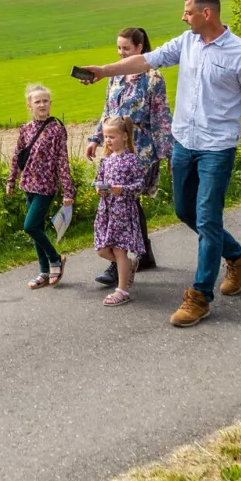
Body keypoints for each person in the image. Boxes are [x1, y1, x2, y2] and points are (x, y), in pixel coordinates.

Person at [82, 0, 241, 328]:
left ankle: (200, 297)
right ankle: (239, 258)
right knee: (185, 211)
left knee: (207, 217)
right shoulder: (186, 42)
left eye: (187, 12)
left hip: (217, 147)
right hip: (185, 141)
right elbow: (144, 60)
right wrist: (104, 70)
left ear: (206, 14)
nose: (183, 17)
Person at [83, 26, 171, 286]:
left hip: (141, 149)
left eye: (126, 49)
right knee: (127, 202)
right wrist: (95, 138)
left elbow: (162, 118)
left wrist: (166, 154)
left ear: (140, 49)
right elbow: (107, 111)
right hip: (115, 149)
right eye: (118, 48)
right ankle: (143, 255)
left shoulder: (153, 78)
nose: (121, 53)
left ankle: (117, 263)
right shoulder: (115, 76)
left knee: (122, 201)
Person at [6, 83, 75, 289]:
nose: (42, 104)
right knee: (37, 228)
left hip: (46, 187)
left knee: (30, 226)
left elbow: (63, 161)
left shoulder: (57, 129)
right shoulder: (25, 130)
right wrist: (11, 180)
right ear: (30, 106)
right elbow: (17, 158)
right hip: (28, 185)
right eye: (38, 102)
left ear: (50, 104)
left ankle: (55, 259)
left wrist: (68, 191)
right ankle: (44, 272)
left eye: (45, 101)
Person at [93, 117, 159, 306]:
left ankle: (122, 290)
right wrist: (99, 188)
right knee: (101, 249)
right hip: (106, 210)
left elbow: (140, 184)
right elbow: (99, 179)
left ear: (124, 136)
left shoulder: (131, 159)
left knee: (119, 250)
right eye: (105, 137)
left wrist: (122, 189)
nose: (108, 141)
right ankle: (128, 268)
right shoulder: (105, 160)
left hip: (123, 210)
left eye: (112, 137)